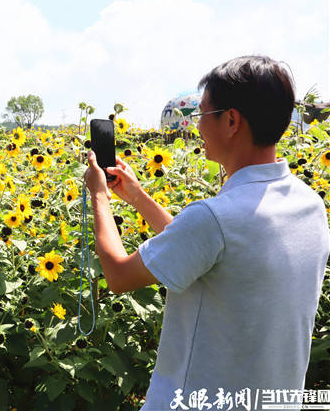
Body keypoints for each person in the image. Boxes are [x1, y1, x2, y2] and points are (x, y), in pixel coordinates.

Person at [83, 55, 329, 410]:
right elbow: (212, 253)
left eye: (201, 114)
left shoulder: (216, 219)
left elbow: (119, 275)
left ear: (231, 121)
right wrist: (137, 197)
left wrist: (99, 195)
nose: (196, 128)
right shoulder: (309, 205)